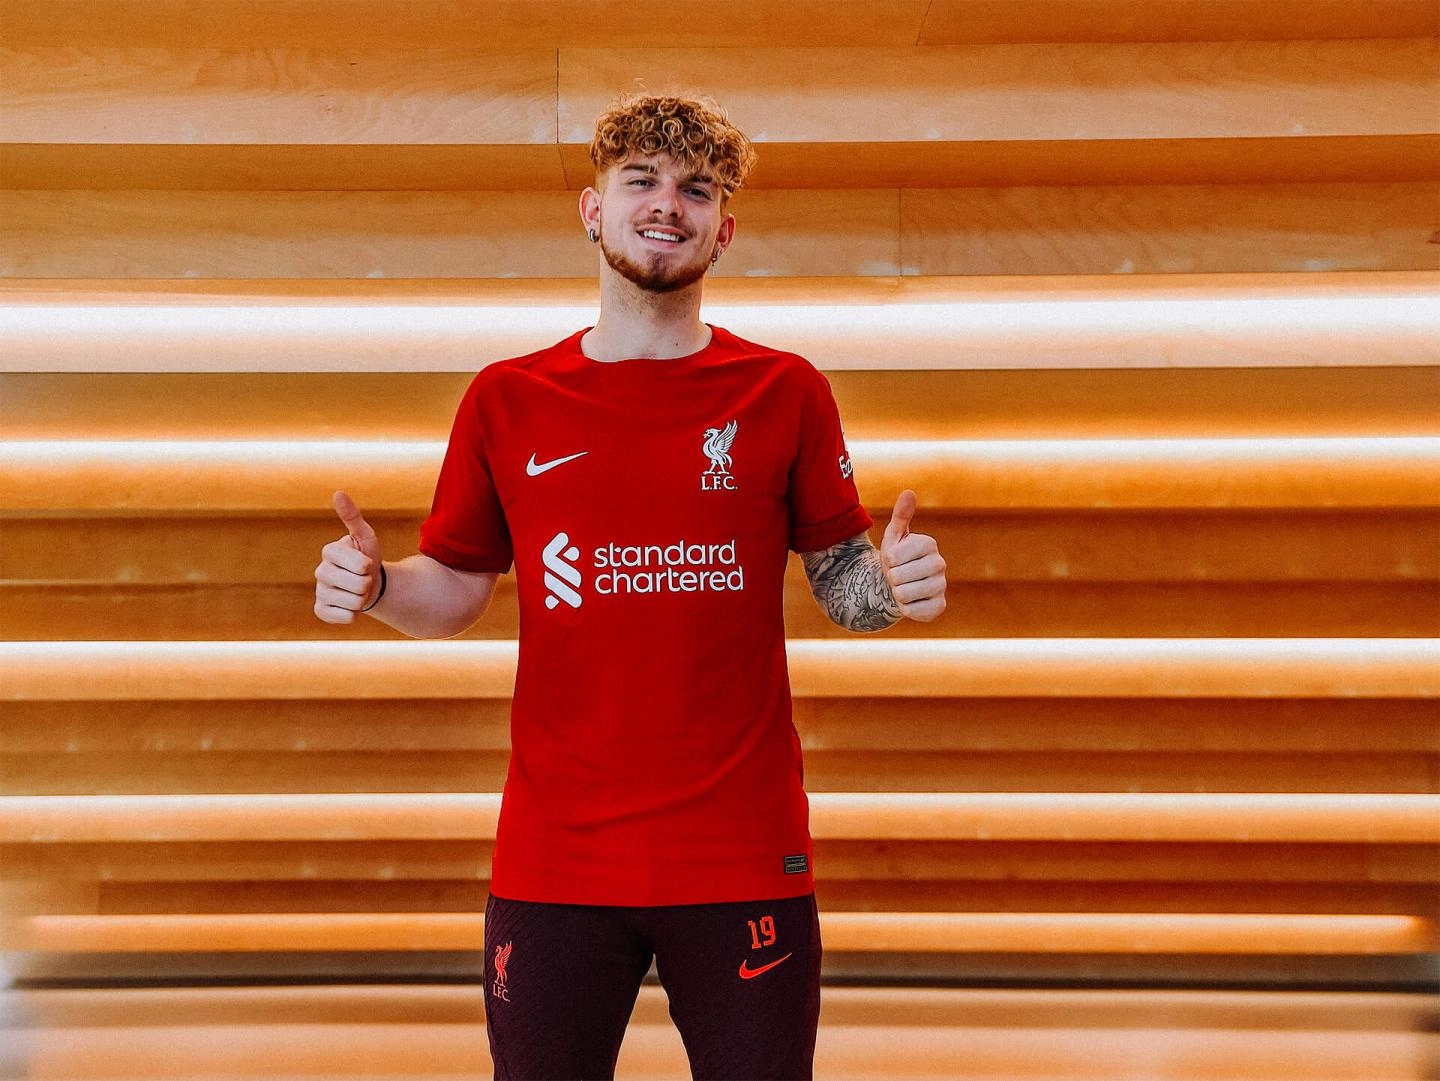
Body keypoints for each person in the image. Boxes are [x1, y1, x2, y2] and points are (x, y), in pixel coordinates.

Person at [314, 94, 946, 1081]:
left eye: (697, 190)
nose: (667, 204)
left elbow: (842, 587)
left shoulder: (785, 392)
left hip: (743, 856)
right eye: (641, 180)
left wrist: (893, 587)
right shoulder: (507, 398)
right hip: (555, 861)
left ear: (723, 229)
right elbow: (458, 587)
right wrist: (379, 585)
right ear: (592, 209)